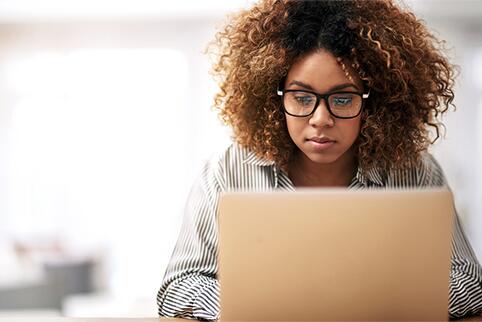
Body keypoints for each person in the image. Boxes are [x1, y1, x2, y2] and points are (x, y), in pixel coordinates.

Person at [157, 0, 482, 320]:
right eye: (301, 97)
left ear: (375, 102)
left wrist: (366, 301)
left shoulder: (415, 171)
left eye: (342, 98)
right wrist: (272, 304)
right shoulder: (227, 170)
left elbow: (470, 280)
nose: (321, 118)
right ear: (274, 96)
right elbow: (179, 287)